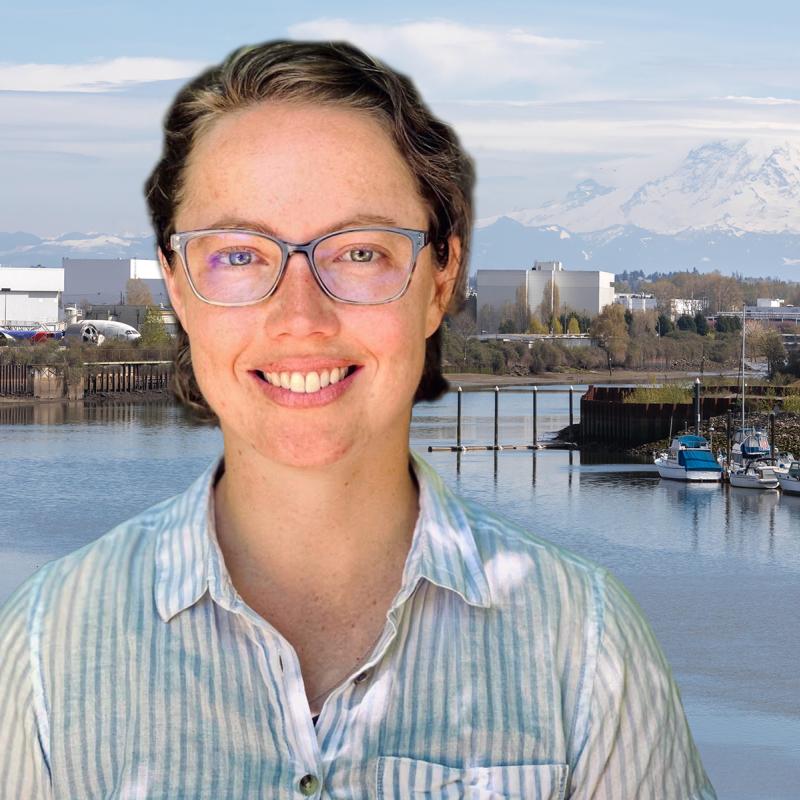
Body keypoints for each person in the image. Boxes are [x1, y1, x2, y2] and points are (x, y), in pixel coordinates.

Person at [0, 40, 716, 798]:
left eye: (361, 252)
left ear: (441, 281)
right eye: (240, 256)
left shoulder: (588, 650)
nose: (300, 317)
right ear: (177, 287)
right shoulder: (49, 649)